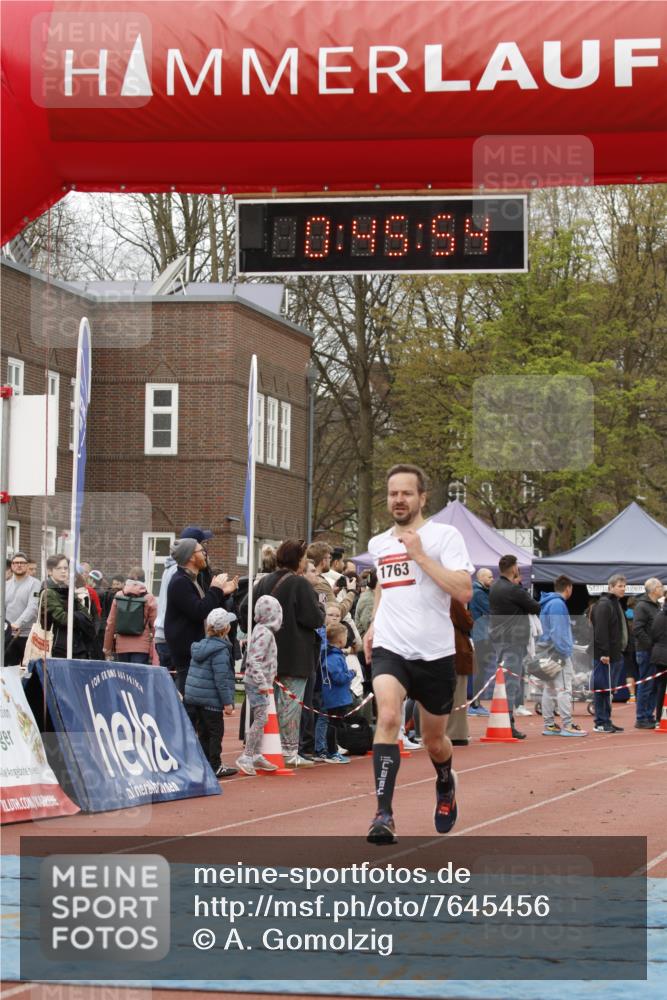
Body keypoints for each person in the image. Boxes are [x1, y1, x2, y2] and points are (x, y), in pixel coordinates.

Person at [363, 464, 473, 845]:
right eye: (393, 493)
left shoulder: (444, 536)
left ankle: (445, 781)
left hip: (435, 653)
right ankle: (383, 815)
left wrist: (421, 556)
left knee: (433, 740)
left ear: (423, 498)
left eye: (406, 493)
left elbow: (464, 590)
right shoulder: (378, 543)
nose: (398, 499)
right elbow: (383, 587)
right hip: (391, 647)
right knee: (389, 716)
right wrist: (375, 625)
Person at [243, 539, 325, 767]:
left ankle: (261, 748)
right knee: (290, 705)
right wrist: (321, 607)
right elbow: (314, 618)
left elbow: (244, 609)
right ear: (298, 560)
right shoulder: (301, 585)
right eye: (304, 558)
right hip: (294, 654)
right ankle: (288, 750)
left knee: (265, 704)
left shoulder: (263, 582)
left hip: (266, 651)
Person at [164, 538, 238, 693]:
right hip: (187, 653)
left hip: (193, 650)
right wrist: (216, 589)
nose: (205, 554)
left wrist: (222, 593)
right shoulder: (180, 582)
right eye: (201, 551)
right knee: (190, 703)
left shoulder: (190, 580)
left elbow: (204, 606)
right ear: (191, 556)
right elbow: (198, 611)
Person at [489, 555, 541, 739]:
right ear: (513, 569)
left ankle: (504, 721)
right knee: (511, 685)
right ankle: (508, 725)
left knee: (504, 682)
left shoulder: (494, 586)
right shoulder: (514, 590)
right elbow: (535, 607)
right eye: (517, 566)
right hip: (513, 640)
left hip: (499, 639)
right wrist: (520, 588)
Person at [184, 608, 238, 779]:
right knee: (215, 732)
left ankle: (204, 762)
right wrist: (228, 702)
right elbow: (221, 679)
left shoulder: (199, 647)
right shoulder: (221, 651)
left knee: (202, 732)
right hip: (211, 701)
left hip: (194, 698)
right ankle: (215, 765)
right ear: (225, 629)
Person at [154, 525, 215, 672]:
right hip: (173, 638)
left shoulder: (175, 570)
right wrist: (216, 591)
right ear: (191, 552)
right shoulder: (180, 574)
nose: (205, 551)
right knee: (176, 688)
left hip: (168, 635)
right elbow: (196, 609)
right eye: (202, 546)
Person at [236, 596, 284, 775]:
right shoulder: (265, 633)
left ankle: (256, 754)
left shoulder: (260, 629)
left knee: (261, 717)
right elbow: (254, 660)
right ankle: (247, 755)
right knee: (261, 718)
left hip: (258, 681)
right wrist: (263, 682)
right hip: (257, 682)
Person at [538, 575, 587, 737]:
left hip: (545, 650)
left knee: (550, 688)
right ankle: (567, 725)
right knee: (564, 689)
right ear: (568, 588)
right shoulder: (558, 604)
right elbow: (558, 631)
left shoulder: (548, 603)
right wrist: (564, 653)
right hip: (556, 652)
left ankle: (549, 724)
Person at [590, 573, 628, 733]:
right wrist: (604, 653)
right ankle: (600, 722)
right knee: (602, 689)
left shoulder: (615, 603)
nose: (623, 589)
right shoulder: (605, 604)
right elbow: (601, 631)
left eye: (624, 586)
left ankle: (606, 720)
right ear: (611, 587)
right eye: (620, 586)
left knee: (608, 690)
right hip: (606, 656)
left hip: (616, 654)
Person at [316, 622, 356, 763]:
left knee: (334, 723)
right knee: (333, 724)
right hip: (335, 697)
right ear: (340, 640)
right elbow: (338, 677)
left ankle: (331, 750)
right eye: (345, 637)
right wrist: (351, 674)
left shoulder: (336, 655)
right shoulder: (333, 657)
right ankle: (332, 752)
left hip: (338, 696)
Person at [43, 554, 96, 659]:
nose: (63, 571)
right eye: (58, 568)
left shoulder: (67, 589)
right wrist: (79, 616)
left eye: (65, 568)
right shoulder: (48, 591)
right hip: (56, 644)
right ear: (49, 571)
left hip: (73, 643)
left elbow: (87, 614)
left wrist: (77, 615)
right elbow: (63, 619)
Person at [103, 570, 158, 664]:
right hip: (142, 647)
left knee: (124, 677)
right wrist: (155, 649)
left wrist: (107, 648)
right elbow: (155, 625)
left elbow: (111, 623)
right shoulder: (149, 598)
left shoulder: (119, 595)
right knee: (138, 678)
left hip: (121, 646)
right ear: (143, 580)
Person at [633, 578, 664, 728]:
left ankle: (648, 715)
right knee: (645, 684)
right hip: (646, 651)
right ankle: (641, 718)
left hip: (654, 651)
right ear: (653, 589)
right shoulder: (642, 606)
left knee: (653, 685)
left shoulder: (656, 605)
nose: (662, 588)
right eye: (660, 586)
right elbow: (637, 629)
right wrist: (651, 646)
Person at [446, 598, 473, 747]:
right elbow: (466, 622)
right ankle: (456, 733)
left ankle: (420, 731)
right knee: (457, 694)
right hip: (454, 648)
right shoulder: (453, 599)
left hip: (433, 649)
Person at [6, 552, 39, 666]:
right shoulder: (5, 585)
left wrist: (17, 624)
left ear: (27, 565)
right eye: (16, 563)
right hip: (8, 635)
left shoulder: (35, 584)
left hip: (28, 635)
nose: (19, 565)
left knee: (28, 671)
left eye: (22, 563)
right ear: (12, 566)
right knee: (8, 669)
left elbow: (33, 607)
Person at [307, 541, 357, 617]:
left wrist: (333, 593)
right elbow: (338, 613)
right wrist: (352, 591)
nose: (330, 561)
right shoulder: (319, 583)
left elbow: (323, 605)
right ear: (323, 561)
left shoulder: (317, 580)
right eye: (329, 557)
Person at [469, 567, 494, 715]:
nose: (492, 579)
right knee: (480, 671)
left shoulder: (482, 592)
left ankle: (475, 703)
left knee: (481, 671)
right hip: (481, 637)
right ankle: (475, 704)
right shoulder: (479, 593)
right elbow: (491, 611)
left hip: (482, 635)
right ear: (481, 577)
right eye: (490, 577)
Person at [650, 599, 667, 729]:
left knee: (661, 688)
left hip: (658, 654)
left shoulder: (658, 615)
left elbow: (653, 635)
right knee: (661, 688)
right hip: (663, 653)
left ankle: (658, 718)